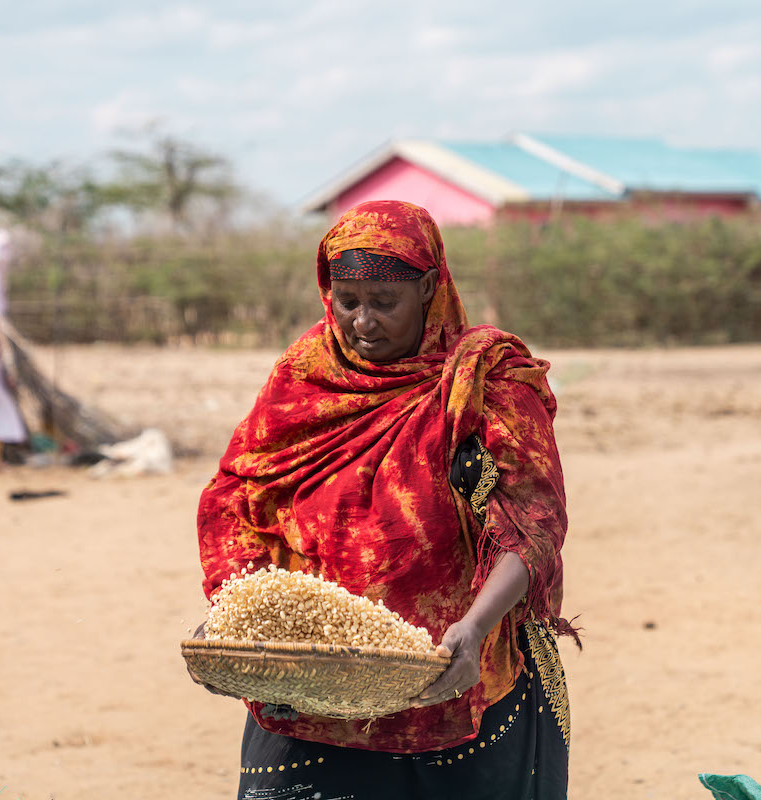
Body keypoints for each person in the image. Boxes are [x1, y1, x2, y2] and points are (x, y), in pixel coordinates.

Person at [196, 200, 577, 800]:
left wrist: (474, 630)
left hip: (453, 680)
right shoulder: (304, 377)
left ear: (429, 288)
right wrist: (239, 612)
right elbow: (235, 501)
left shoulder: (487, 380)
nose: (364, 322)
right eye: (348, 302)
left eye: (384, 303)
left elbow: (532, 527)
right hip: (311, 686)